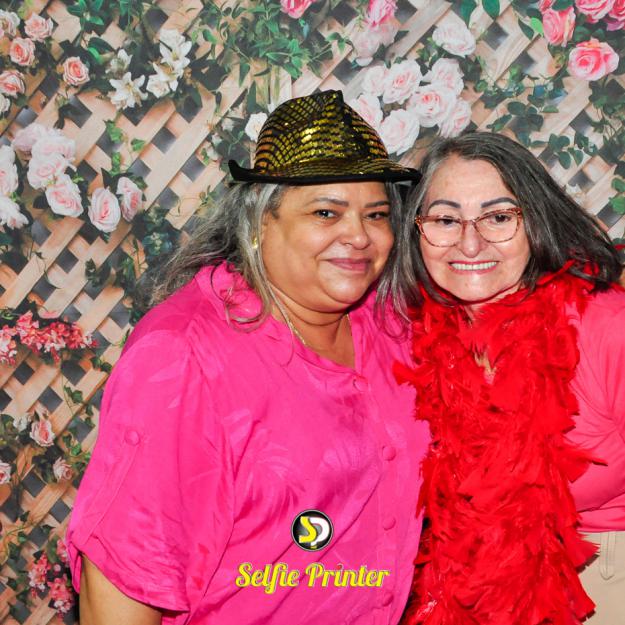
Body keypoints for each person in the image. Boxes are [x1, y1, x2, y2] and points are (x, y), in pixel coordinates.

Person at [66, 90, 431, 625]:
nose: (358, 236)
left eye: (376, 214)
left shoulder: (391, 326)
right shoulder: (184, 357)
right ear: (258, 224)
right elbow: (123, 586)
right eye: (326, 212)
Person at [393, 132, 624, 625]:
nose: (470, 242)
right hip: (454, 589)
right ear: (415, 230)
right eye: (445, 220)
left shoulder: (609, 328)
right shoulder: (401, 337)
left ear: (535, 220)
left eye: (498, 217)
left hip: (601, 579)